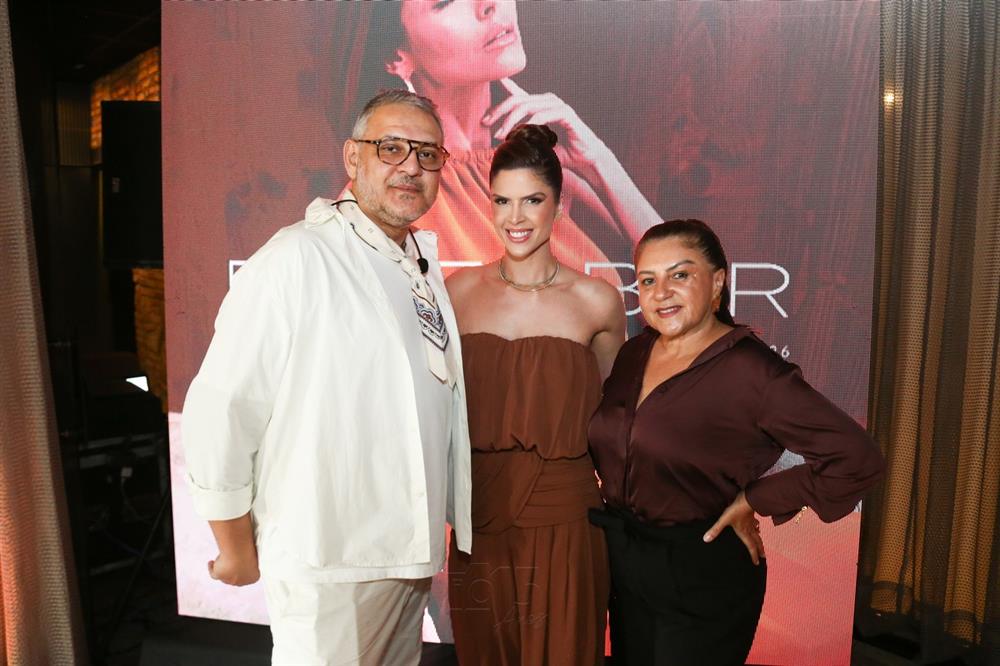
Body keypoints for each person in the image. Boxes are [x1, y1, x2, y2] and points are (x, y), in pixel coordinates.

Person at [181, 89, 472, 665]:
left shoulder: (418, 264)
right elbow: (222, 406)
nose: (411, 166)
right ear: (352, 157)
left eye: (427, 154)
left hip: (408, 558)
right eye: (391, 148)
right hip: (328, 562)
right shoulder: (297, 257)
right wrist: (233, 546)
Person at [587, 219, 885, 665]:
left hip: (702, 571)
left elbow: (857, 458)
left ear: (717, 282)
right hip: (627, 567)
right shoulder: (634, 354)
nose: (661, 292)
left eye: (679, 275)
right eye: (648, 280)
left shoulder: (753, 371)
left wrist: (755, 498)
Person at [445, 124, 626, 665]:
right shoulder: (457, 294)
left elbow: (617, 424)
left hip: (567, 519)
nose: (515, 217)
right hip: (479, 518)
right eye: (502, 200)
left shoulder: (597, 301)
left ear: (559, 205)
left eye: (532, 200)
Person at [338, 0, 661, 276]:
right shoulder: (388, 190)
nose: (488, 5)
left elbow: (680, 278)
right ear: (396, 58)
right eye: (446, 1)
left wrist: (598, 161)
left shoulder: (546, 160)